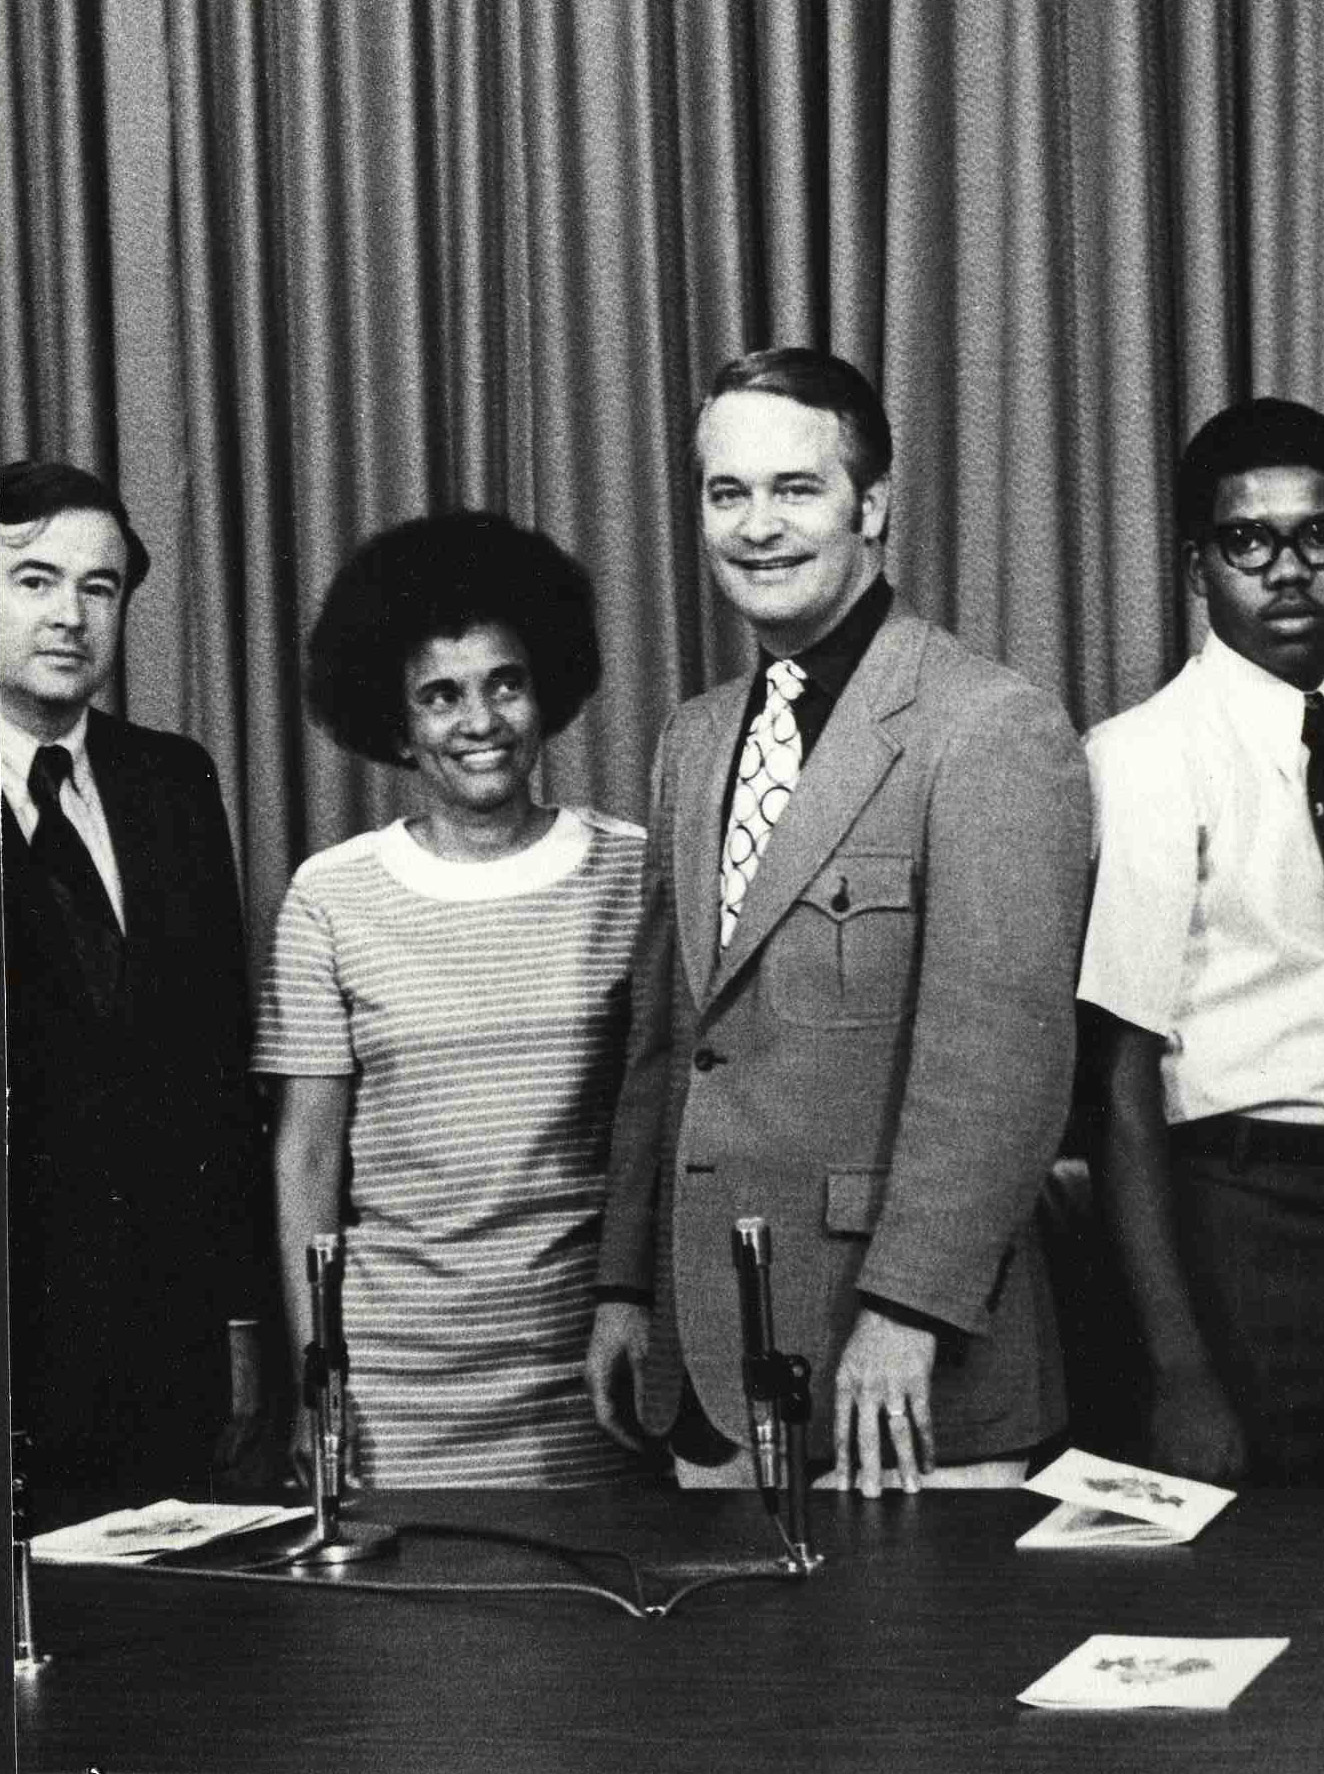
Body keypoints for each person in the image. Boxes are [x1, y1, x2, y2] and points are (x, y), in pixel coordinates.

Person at [584, 348, 1089, 1495]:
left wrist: (905, 1314)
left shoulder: (988, 726)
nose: (757, 526)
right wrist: (627, 1289)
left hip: (908, 1375)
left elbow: (1001, 1067)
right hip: (707, 1368)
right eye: (727, 493)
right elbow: (668, 1042)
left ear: (872, 505)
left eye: (795, 490)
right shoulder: (695, 739)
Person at [1081, 401, 1324, 1485]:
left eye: (1319, 538)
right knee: (1271, 1559)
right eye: (1248, 542)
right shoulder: (1143, 757)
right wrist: (1178, 1369)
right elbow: (1120, 1082)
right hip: (1239, 1212)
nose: (1287, 572)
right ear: (1197, 567)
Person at [256, 512, 652, 1486]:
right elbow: (307, 1155)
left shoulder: (638, 873)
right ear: (395, 721)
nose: (479, 722)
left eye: (503, 684)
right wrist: (320, 1367)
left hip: (592, 1376)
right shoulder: (330, 895)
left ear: (545, 687)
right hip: (396, 1394)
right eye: (440, 695)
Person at [0, 459, 270, 1509]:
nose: (70, 615)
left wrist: (242, 1323)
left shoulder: (173, 782)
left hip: (169, 1354)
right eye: (33, 579)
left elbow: (218, 1074)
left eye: (99, 587)